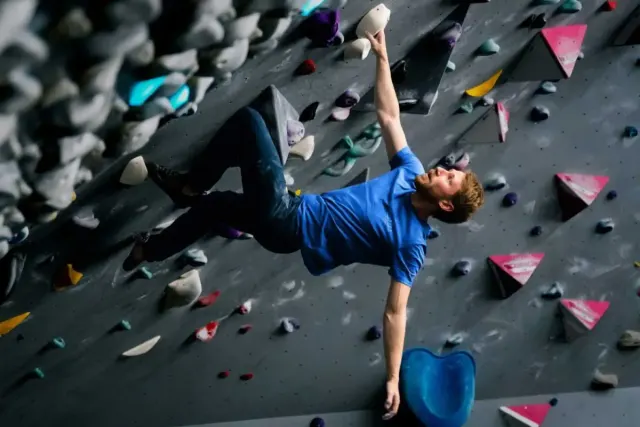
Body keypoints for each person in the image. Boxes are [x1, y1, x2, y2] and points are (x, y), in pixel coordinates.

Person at [122, 30, 484, 419]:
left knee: (249, 122)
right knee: (217, 206)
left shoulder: (411, 244)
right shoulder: (409, 172)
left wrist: (393, 377)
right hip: (288, 215)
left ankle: (190, 187)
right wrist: (382, 58)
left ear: (445, 204)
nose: (443, 169)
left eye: (450, 178)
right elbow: (389, 116)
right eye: (449, 170)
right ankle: (149, 250)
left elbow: (395, 313)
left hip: (288, 224)